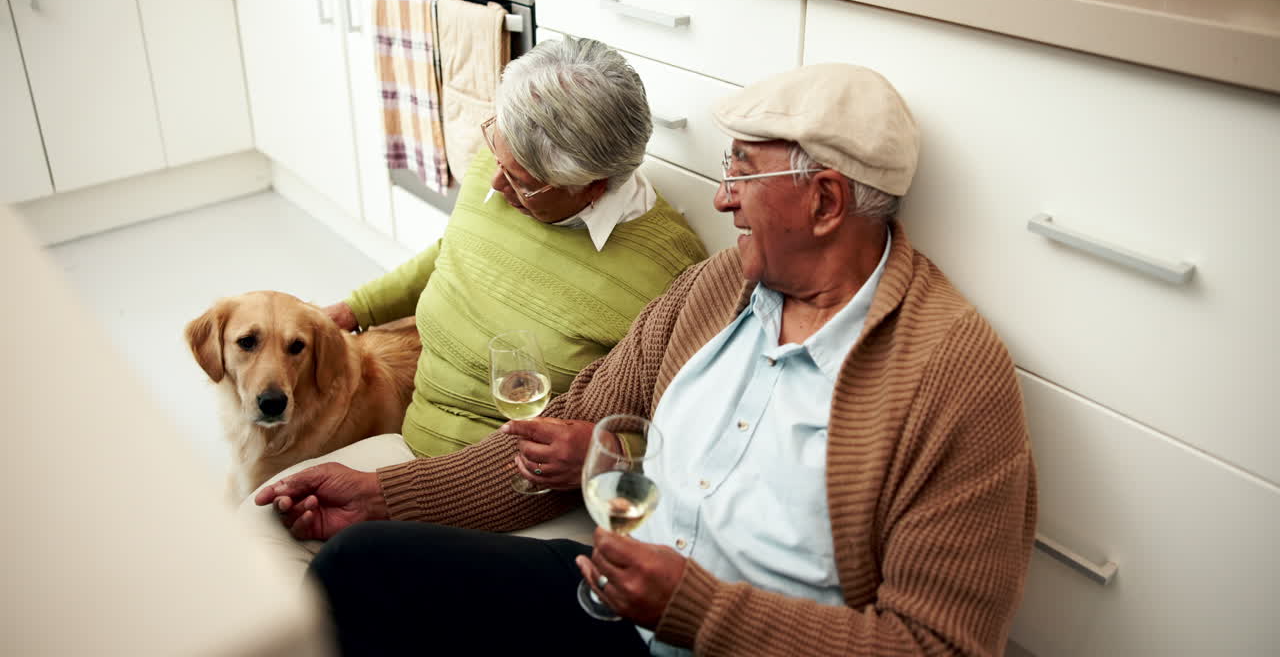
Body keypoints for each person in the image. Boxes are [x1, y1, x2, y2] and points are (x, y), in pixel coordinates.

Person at [282, 63, 1037, 657]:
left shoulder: (952, 377)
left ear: (826, 202)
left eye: (743, 172)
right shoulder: (715, 289)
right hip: (613, 605)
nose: (722, 199)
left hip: (736, 639)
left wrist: (697, 611)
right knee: (358, 568)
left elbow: (940, 646)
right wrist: (384, 494)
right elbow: (570, 433)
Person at [240, 36, 708, 576]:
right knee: (253, 540)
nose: (496, 183)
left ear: (593, 187)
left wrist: (604, 447)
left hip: (517, 498)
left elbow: (671, 430)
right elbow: (454, 250)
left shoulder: (667, 274)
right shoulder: (502, 166)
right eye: (498, 154)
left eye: (524, 184)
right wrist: (354, 309)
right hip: (409, 451)